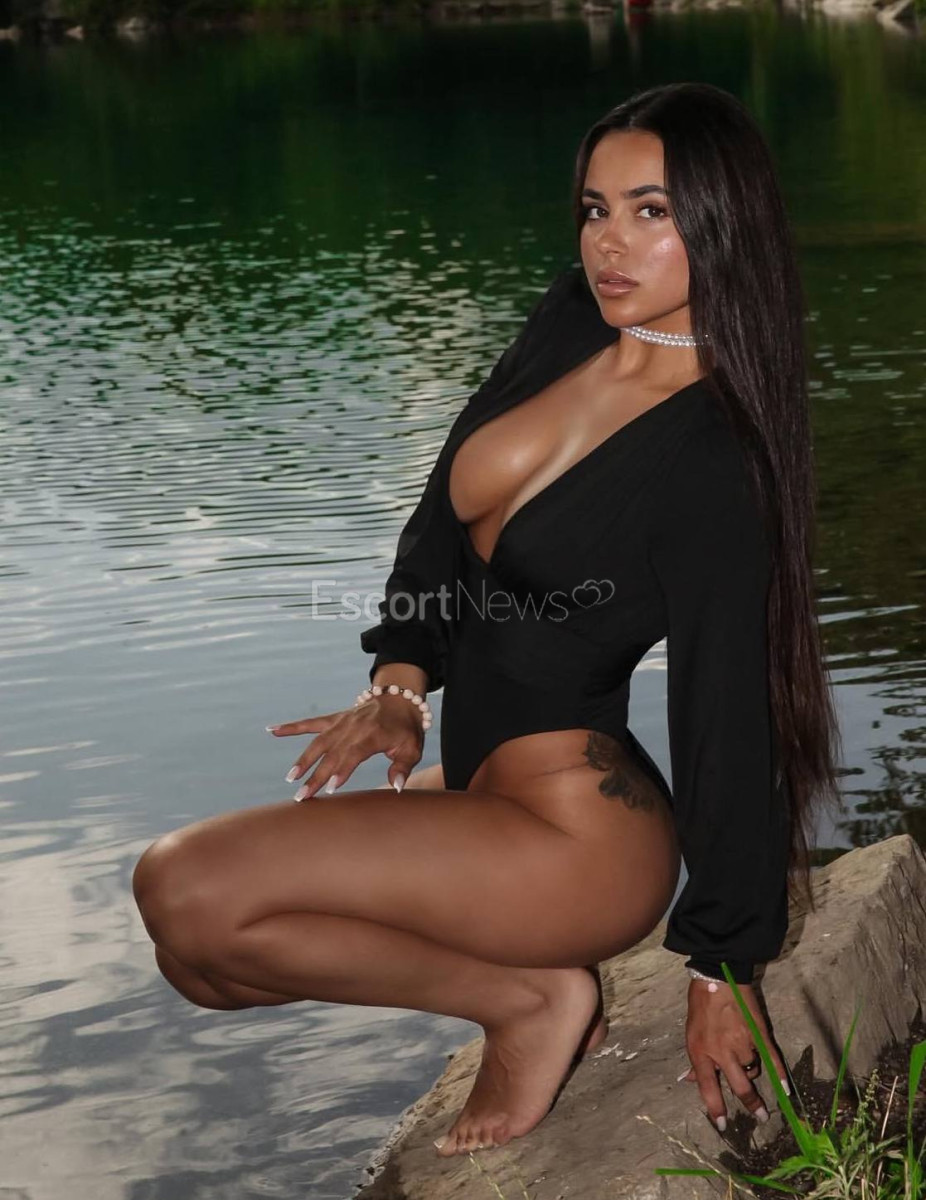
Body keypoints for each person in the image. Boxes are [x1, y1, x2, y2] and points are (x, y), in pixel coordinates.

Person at [132, 81, 843, 1159]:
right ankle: (533, 990)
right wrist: (401, 682)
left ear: (722, 223)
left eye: (650, 211)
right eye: (594, 208)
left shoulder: (713, 460)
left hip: (576, 839)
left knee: (183, 885)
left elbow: (726, 713)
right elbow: (438, 520)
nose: (609, 242)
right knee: (199, 963)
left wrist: (721, 968)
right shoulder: (572, 320)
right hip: (477, 789)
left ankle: (530, 1003)